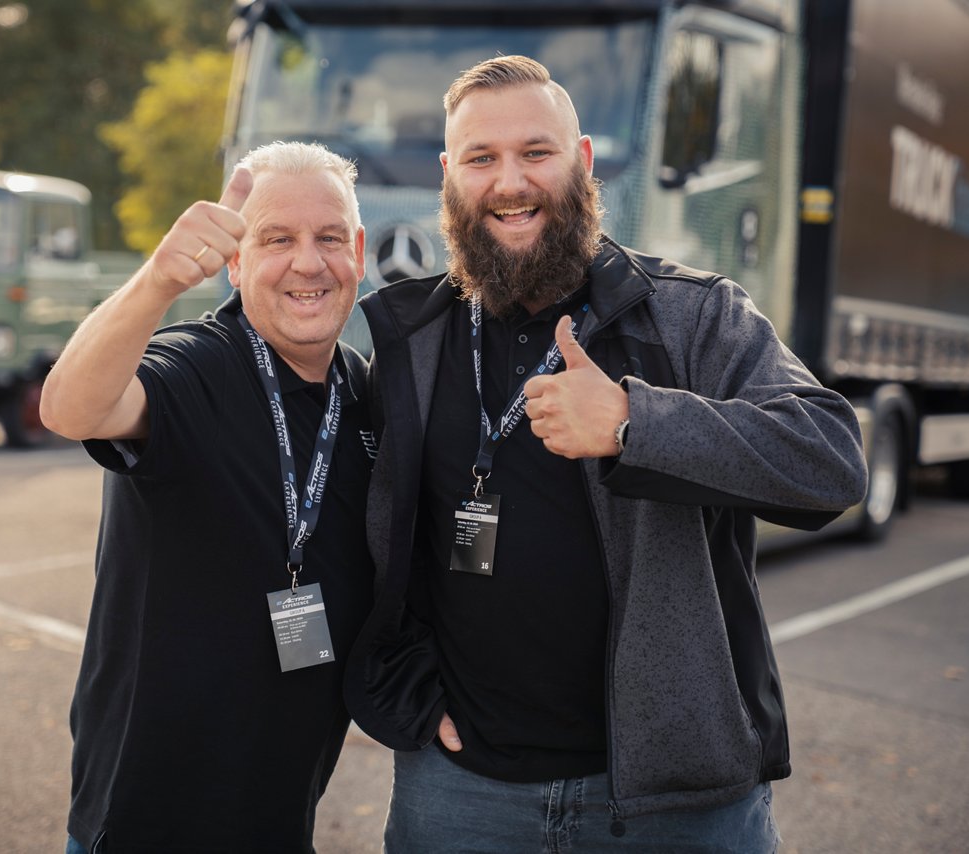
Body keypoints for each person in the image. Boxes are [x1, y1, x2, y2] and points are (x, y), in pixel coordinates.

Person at [343, 55, 868, 852]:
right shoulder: (411, 341)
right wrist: (404, 691)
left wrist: (636, 423)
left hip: (673, 805)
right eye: (481, 159)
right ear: (451, 179)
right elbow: (367, 540)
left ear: (582, 162)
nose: (510, 182)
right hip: (462, 795)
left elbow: (830, 461)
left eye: (536, 153)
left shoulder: (693, 316)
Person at [40, 141, 375, 853]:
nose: (308, 263)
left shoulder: (364, 393)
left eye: (329, 238)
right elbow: (72, 409)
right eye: (276, 239)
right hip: (145, 824)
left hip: (282, 819)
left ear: (361, 252)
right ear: (236, 260)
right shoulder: (195, 364)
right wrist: (158, 281)